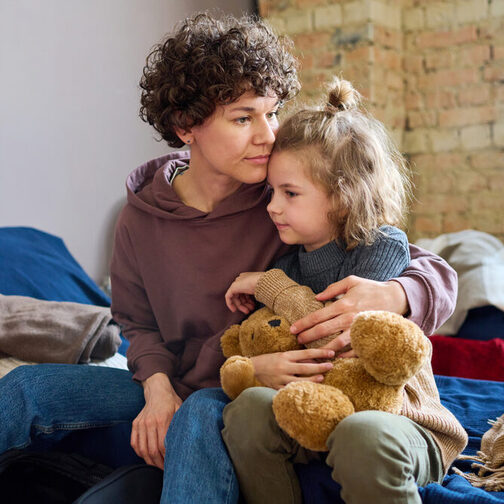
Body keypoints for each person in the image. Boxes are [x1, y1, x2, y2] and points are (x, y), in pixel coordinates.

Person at [0, 12, 458, 504]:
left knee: (199, 414)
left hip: (241, 383)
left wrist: (394, 293)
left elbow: (417, 263)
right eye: (244, 118)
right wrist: (156, 389)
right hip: (171, 380)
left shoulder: (283, 201)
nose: (268, 134)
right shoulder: (139, 218)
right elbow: (137, 324)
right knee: (25, 387)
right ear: (185, 127)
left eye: (273, 112)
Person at [220, 78, 467, 504]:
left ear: (343, 198)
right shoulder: (287, 263)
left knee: (362, 432)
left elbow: (335, 337)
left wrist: (269, 286)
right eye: (271, 191)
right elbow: (280, 338)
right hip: (315, 414)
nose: (272, 206)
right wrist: (257, 365)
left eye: (290, 193)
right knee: (246, 411)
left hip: (398, 420)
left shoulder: (380, 246)